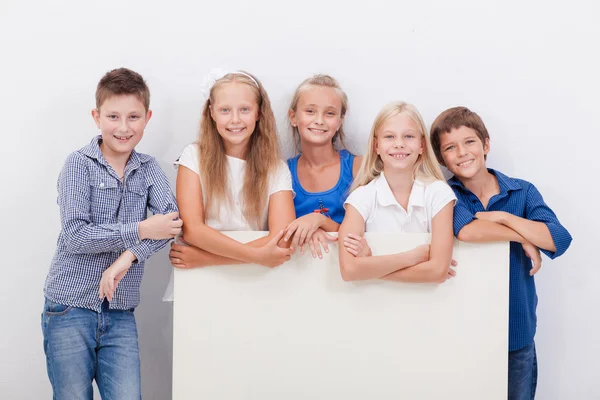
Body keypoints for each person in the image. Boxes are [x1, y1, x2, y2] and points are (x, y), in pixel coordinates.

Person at [42, 67, 181, 399]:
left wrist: (127, 257)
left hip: (120, 313)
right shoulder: (78, 164)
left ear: (147, 118)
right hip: (69, 307)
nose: (123, 127)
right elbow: (76, 236)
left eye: (133, 117)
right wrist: (141, 229)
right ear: (96, 116)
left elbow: (172, 224)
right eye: (113, 116)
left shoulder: (148, 169)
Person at [430, 106, 572, 399]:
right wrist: (524, 237)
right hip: (464, 330)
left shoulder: (522, 192)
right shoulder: (446, 195)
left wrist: (506, 218)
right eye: (450, 148)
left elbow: (558, 238)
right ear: (442, 158)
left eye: (469, 142)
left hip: (516, 330)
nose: (462, 153)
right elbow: (467, 231)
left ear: (486, 144)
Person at [168, 70, 295, 270]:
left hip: (252, 274)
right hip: (200, 277)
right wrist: (258, 255)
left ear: (258, 112)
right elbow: (193, 230)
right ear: (212, 113)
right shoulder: (194, 157)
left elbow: (282, 238)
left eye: (244, 109)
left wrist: (207, 259)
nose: (235, 119)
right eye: (225, 110)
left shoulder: (276, 169)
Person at [339, 101, 456, 283]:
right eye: (389, 137)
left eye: (409, 136)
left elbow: (438, 271)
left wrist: (370, 266)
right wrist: (412, 257)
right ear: (376, 146)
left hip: (429, 306)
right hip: (376, 305)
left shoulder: (438, 193)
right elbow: (349, 270)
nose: (399, 144)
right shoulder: (361, 197)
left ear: (422, 146)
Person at [284, 74, 362, 258]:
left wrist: (319, 221)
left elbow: (360, 235)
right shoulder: (281, 172)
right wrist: (311, 230)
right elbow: (282, 233)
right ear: (293, 117)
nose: (319, 120)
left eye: (330, 113)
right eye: (310, 111)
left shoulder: (357, 167)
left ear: (339, 122)